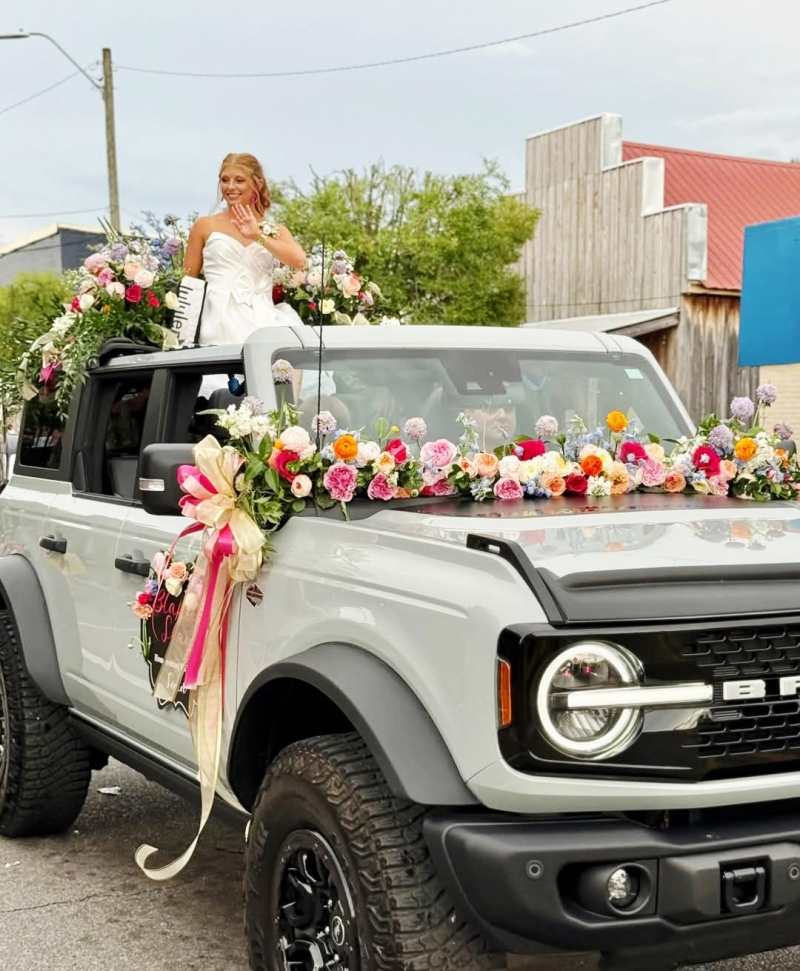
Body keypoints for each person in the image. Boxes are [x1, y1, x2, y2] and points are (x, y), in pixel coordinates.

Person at [183, 153, 307, 345]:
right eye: (225, 180)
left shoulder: (275, 230)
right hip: (217, 323)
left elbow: (300, 261)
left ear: (257, 184)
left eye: (239, 180)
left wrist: (258, 236)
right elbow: (188, 282)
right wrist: (182, 335)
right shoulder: (205, 225)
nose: (230, 187)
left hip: (263, 321)